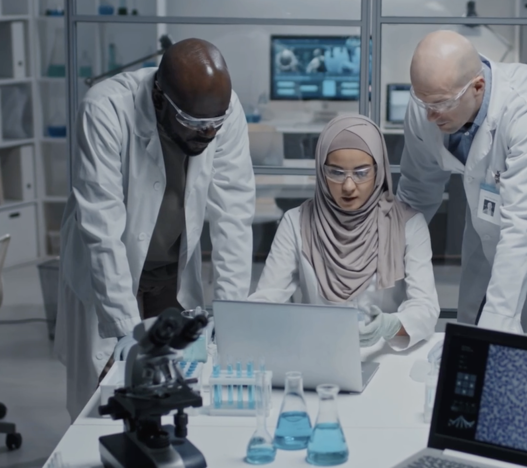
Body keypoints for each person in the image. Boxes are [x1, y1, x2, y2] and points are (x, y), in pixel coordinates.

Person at [54, 38, 256, 420]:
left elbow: (234, 215)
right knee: (108, 393)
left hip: (169, 271)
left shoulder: (223, 113)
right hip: (109, 273)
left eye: (215, 125)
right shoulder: (105, 108)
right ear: (161, 98)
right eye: (196, 125)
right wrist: (128, 335)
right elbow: (102, 232)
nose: (208, 135)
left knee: (176, 384)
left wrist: (232, 319)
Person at [397, 30, 527, 334]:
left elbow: (523, 226)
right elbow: (416, 191)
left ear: (478, 87)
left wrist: (498, 324)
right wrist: (389, 259)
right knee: (473, 319)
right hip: (485, 213)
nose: (429, 116)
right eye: (423, 102)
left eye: (440, 104)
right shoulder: (427, 104)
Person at [249, 115, 439, 350]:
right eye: (336, 173)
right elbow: (269, 297)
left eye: (361, 173)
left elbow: (425, 306)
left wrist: (390, 325)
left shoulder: (408, 225)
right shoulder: (296, 222)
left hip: (381, 352)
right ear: (321, 170)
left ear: (378, 170)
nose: (348, 186)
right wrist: (242, 323)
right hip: (315, 350)